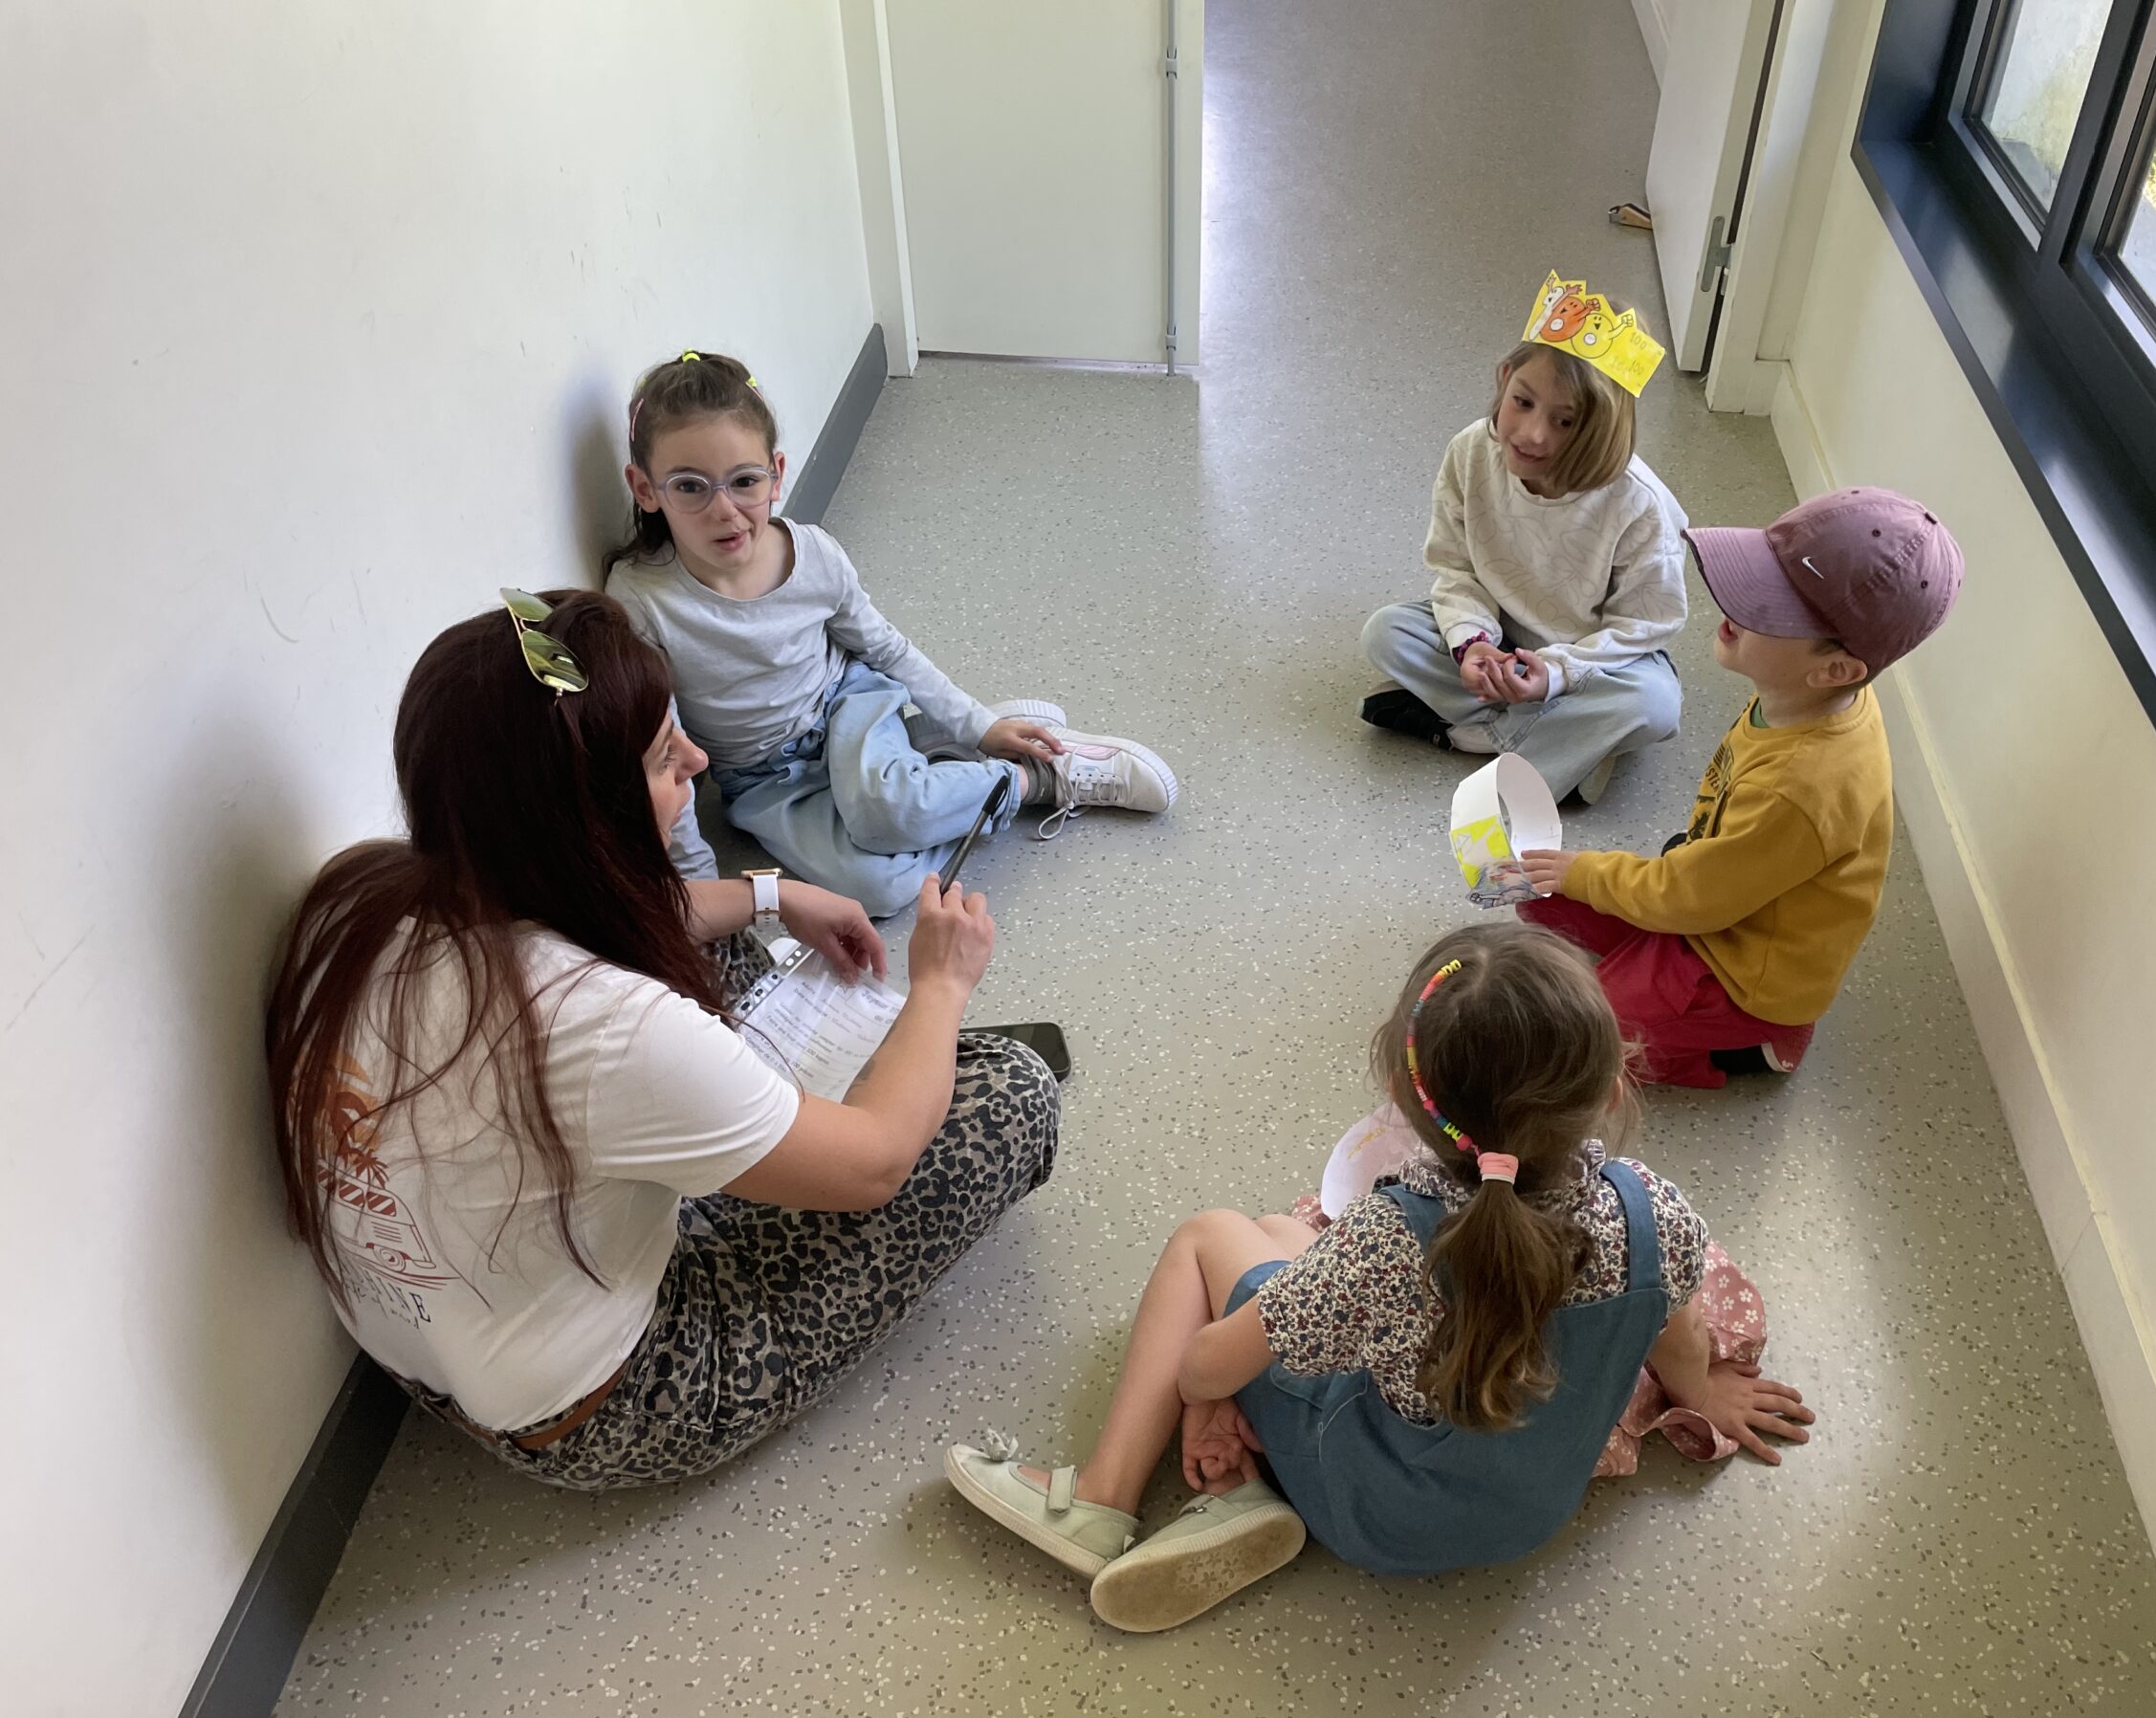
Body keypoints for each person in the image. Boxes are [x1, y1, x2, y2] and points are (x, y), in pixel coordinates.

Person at [264, 590, 1060, 1490]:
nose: (698, 759)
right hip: (610, 1404)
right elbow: (874, 1166)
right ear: (585, 815)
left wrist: (770, 893)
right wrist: (942, 985)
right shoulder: (604, 1024)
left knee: (716, 948)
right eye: (661, 756)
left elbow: (599, 917)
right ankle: (870, 1078)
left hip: (442, 1343)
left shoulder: (358, 897)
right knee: (1010, 1093)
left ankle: (803, 1097)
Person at [938, 925, 1811, 1631]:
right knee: (1282, 1237)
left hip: (1375, 1507)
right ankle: (1240, 1494)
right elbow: (1680, 1336)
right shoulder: (1653, 1211)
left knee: (1210, 1239)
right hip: (1529, 1511)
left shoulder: (1386, 1240)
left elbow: (1205, 1364)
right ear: (1614, 1088)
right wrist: (1705, 1393)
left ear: (1403, 1095)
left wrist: (1210, 1398)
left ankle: (1101, 1502)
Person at [606, 349, 1179, 915]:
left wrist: (977, 725)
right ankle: (933, 762)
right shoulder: (639, 602)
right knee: (882, 888)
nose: (725, 510)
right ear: (645, 488)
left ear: (776, 475)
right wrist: (697, 892)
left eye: (744, 481)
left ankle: (1036, 777)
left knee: (884, 811)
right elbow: (663, 750)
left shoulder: (813, 556)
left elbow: (885, 648)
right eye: (690, 487)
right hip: (763, 780)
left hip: (848, 709)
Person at [1519, 487, 1963, 1088]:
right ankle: (1657, 973)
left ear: (1834, 669)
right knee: (1539, 897)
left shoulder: (1801, 785)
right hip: (1716, 896)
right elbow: (1699, 883)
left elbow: (1693, 897)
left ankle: (1760, 1043)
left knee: (1580, 1044)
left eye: (1769, 607)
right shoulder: (1805, 695)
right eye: (1756, 578)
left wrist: (1594, 874)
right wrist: (1600, 878)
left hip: (1743, 972)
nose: (1732, 600)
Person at [1358, 274, 1686, 804]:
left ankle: (1469, 735)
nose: (1534, 434)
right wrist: (1473, 643)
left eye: (1566, 422)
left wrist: (1556, 673)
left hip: (1590, 661)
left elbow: (1645, 625)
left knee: (1654, 705)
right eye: (1523, 402)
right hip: (1499, 639)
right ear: (1505, 376)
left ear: (1604, 427)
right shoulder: (1471, 451)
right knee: (1387, 633)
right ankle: (1559, 752)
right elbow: (1456, 569)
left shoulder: (1639, 503)